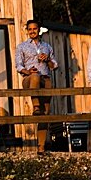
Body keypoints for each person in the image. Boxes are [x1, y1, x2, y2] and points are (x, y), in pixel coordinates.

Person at [13, 20, 57, 152]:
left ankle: (41, 146)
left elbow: (54, 65)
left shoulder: (47, 46)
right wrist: (28, 71)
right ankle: (35, 105)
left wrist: (47, 59)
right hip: (29, 78)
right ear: (27, 31)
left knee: (46, 112)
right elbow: (18, 65)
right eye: (30, 29)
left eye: (35, 29)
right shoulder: (21, 47)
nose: (32, 31)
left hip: (45, 78)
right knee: (35, 76)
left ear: (38, 30)